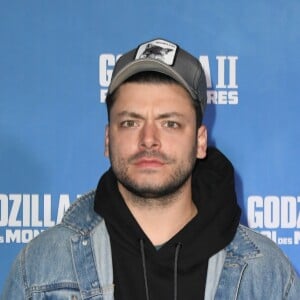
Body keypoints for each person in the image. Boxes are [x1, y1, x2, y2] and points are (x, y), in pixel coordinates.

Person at [1, 38, 300, 300]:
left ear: (199, 142)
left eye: (170, 123)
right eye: (130, 122)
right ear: (108, 139)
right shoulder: (42, 268)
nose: (149, 140)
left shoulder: (265, 275)